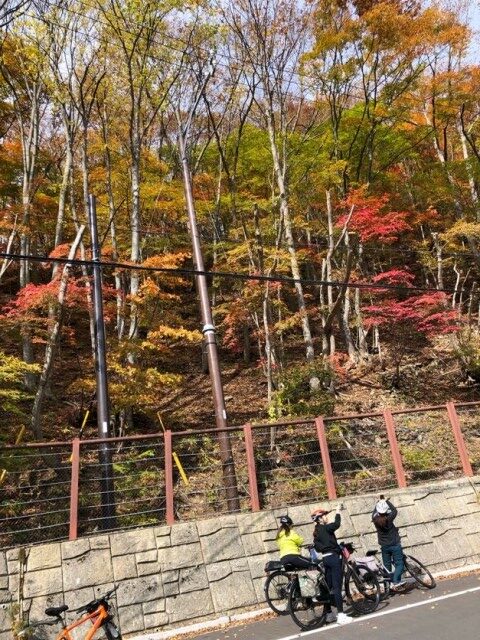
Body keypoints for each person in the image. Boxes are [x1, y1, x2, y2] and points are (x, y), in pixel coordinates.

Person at [312, 505, 353, 625]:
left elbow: (318, 548)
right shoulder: (326, 528)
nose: (326, 517)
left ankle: (329, 613)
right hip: (334, 558)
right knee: (336, 588)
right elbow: (337, 524)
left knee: (328, 588)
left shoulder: (316, 532)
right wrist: (338, 511)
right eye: (324, 515)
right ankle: (341, 615)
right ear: (320, 518)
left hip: (325, 560)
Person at [372, 495, 405, 590]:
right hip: (394, 544)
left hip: (384, 546)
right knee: (399, 564)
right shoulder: (389, 519)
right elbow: (394, 510)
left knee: (387, 566)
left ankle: (387, 587)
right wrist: (386, 501)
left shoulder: (375, 520)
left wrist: (378, 503)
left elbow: (374, 512)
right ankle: (395, 581)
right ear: (386, 510)